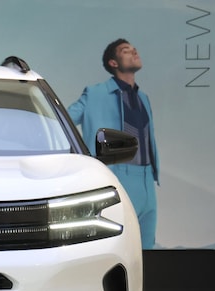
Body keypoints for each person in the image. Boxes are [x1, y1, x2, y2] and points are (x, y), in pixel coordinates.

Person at [68, 39, 160, 249]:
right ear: (113, 63)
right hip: (117, 175)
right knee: (118, 246)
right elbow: (63, 122)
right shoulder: (94, 93)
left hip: (147, 180)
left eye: (134, 48)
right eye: (126, 50)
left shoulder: (143, 97)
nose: (134, 51)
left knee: (147, 249)